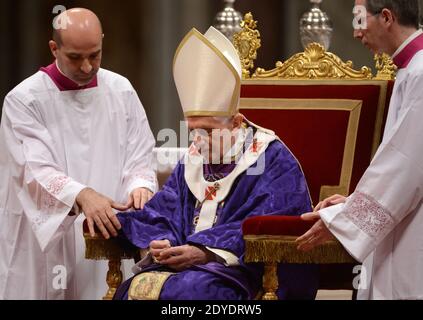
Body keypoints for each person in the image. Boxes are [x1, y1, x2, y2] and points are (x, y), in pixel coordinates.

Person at [113, 26, 319, 300]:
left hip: (246, 271)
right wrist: (163, 242)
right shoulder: (195, 158)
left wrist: (206, 251)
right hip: (190, 268)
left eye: (208, 131)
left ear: (236, 122)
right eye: (193, 130)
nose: (199, 141)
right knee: (134, 289)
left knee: (192, 291)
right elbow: (166, 211)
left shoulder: (271, 157)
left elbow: (273, 224)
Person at [0, 8, 157, 300]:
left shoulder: (120, 90)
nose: (86, 67)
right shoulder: (24, 100)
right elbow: (32, 170)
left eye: (94, 55)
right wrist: (82, 195)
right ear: (54, 48)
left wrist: (140, 186)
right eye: (75, 57)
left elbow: (140, 154)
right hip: (48, 240)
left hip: (108, 228)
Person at [296, 0, 423, 300]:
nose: (355, 33)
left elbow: (406, 166)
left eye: (358, 20)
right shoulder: (411, 70)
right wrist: (353, 200)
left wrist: (348, 216)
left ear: (387, 18)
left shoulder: (420, 74)